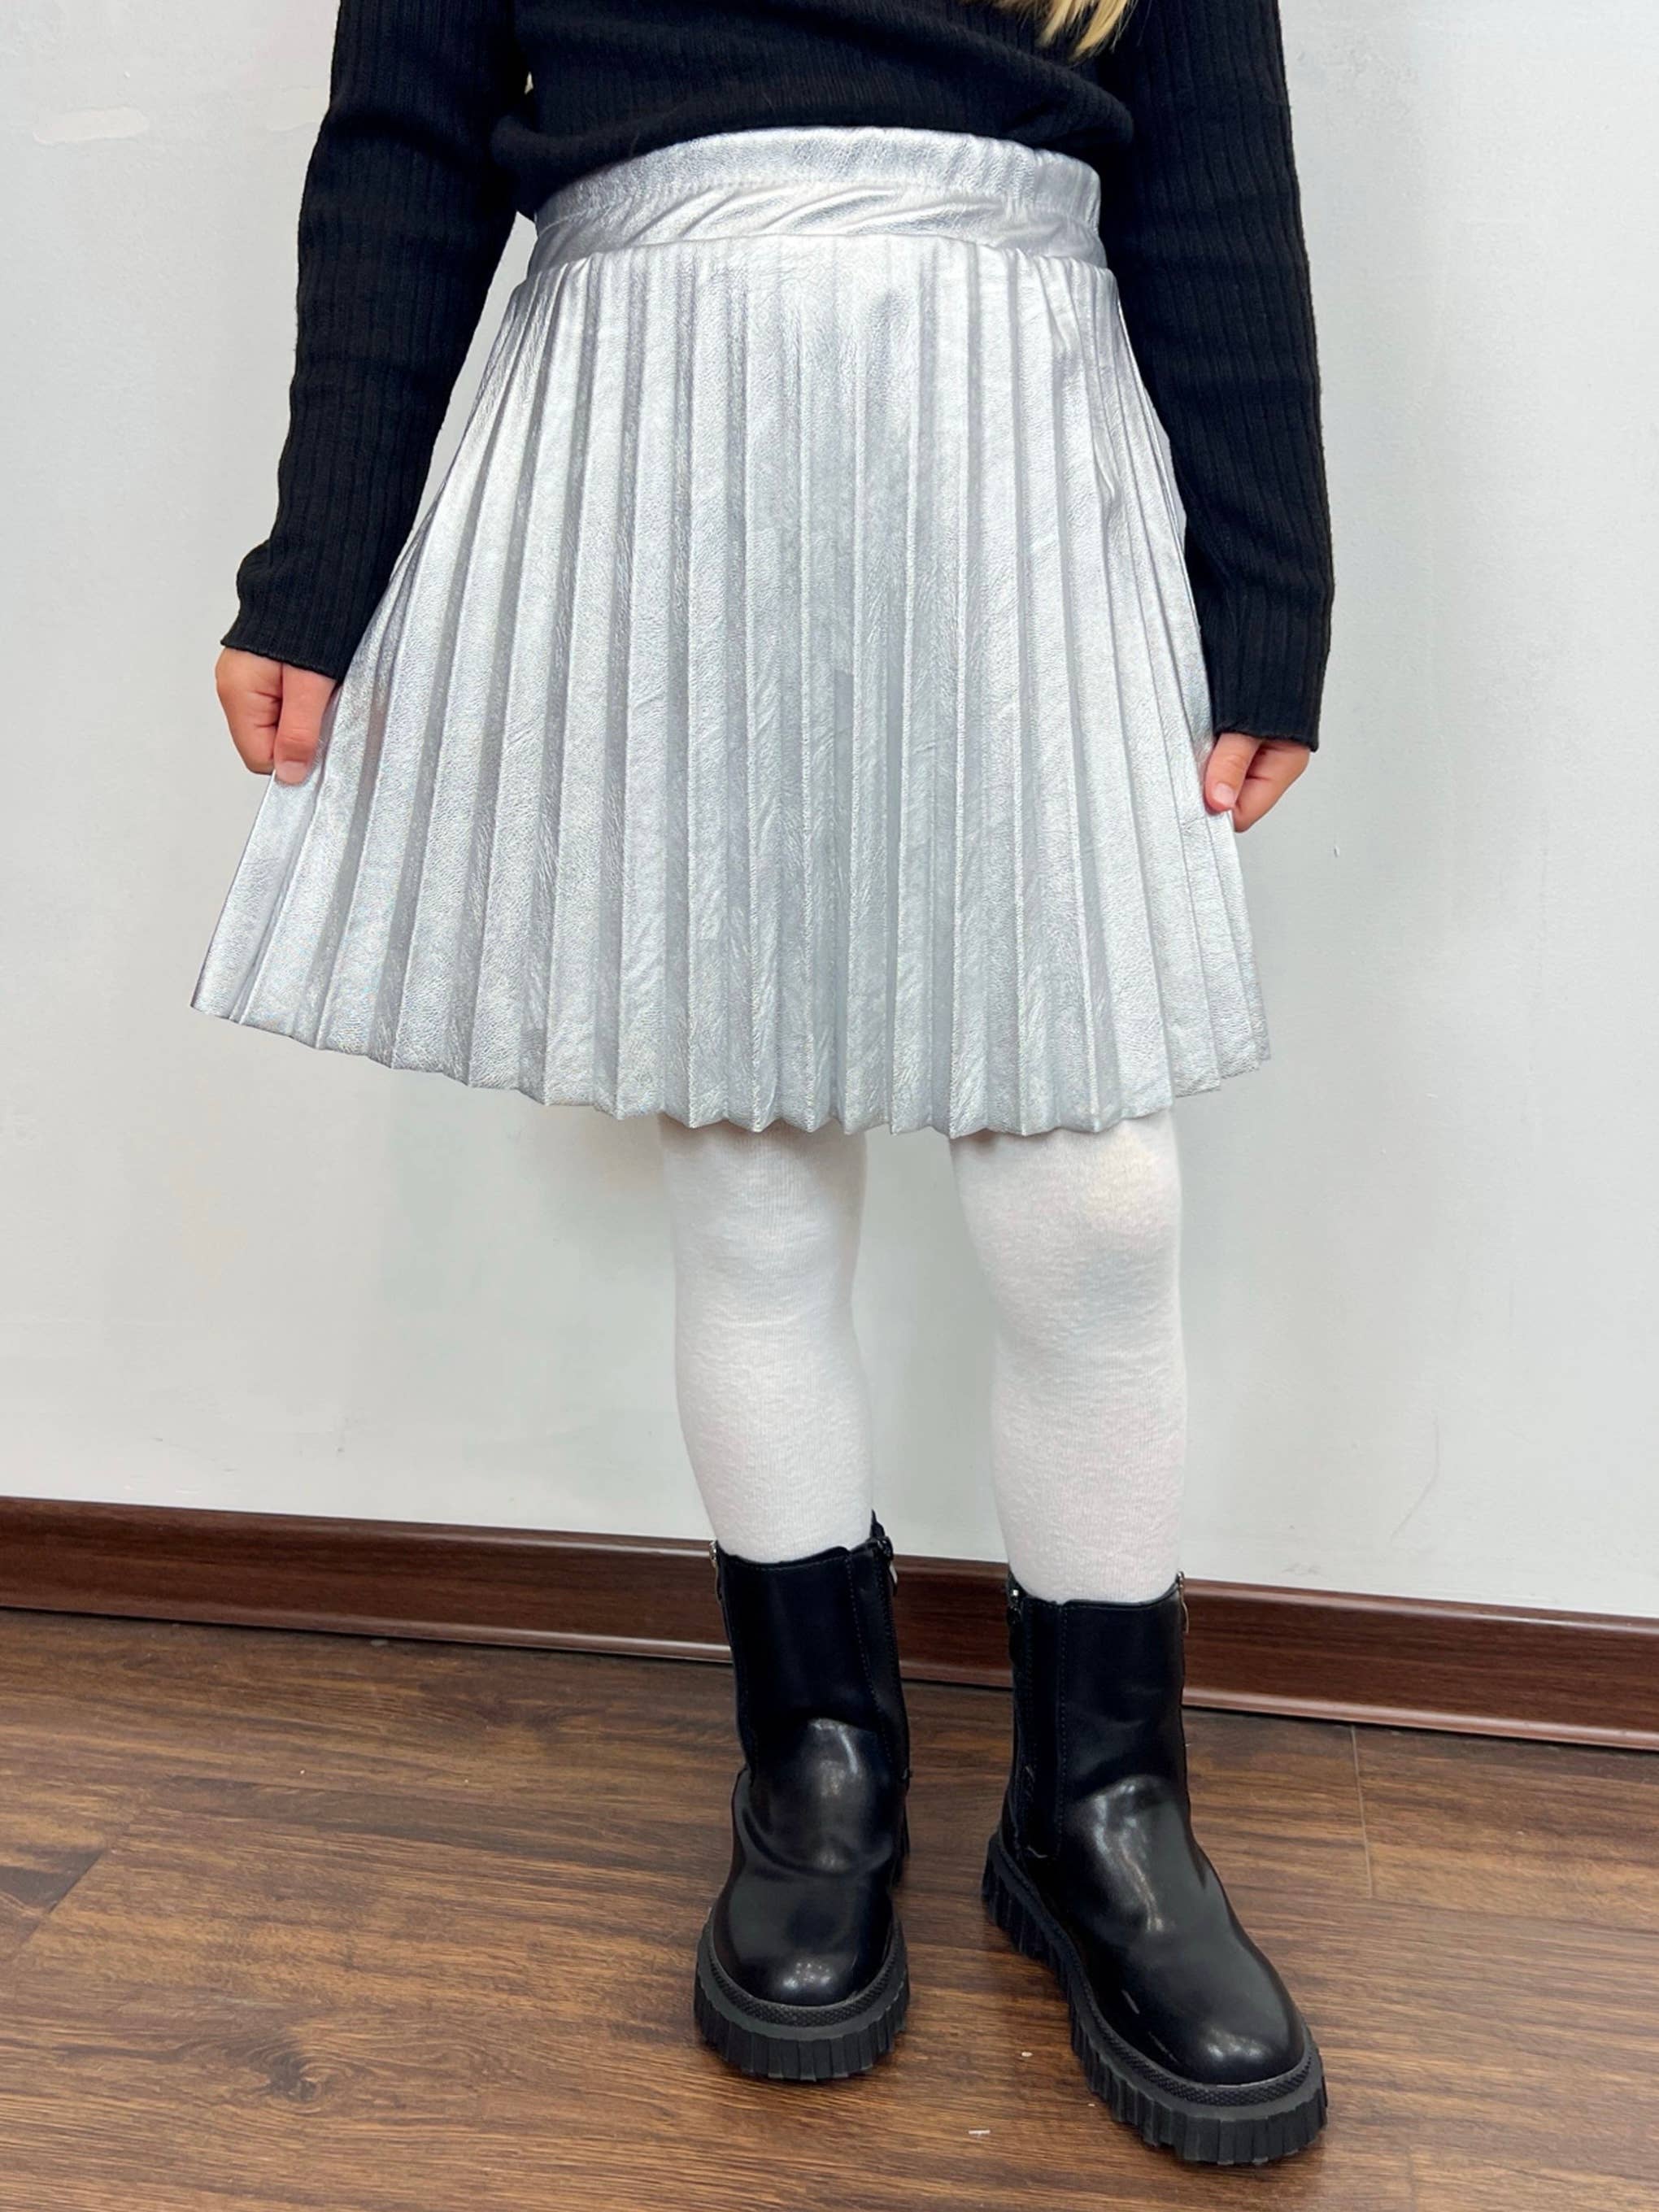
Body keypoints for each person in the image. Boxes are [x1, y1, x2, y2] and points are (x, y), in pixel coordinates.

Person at [197, 0, 1334, 2168]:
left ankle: (1104, 1808)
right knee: (748, 1156)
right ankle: (820, 1768)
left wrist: (1267, 587)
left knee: (1091, 1187)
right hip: (655, 419)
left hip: (1017, 417)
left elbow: (1212, 156)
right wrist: (316, 562)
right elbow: (408, 140)